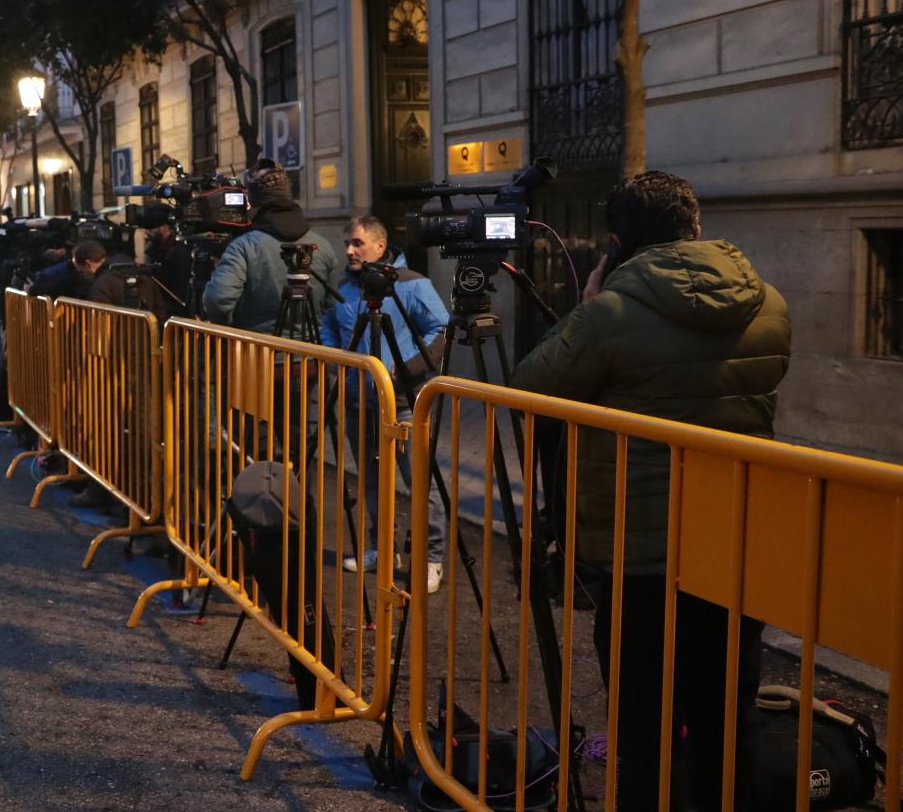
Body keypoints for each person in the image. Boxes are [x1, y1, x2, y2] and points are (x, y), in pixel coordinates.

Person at [509, 171, 791, 811]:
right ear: (696, 227)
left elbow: (528, 387)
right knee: (728, 717)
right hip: (736, 542)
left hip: (642, 556)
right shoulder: (769, 302)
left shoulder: (611, 312)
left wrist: (588, 301)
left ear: (617, 244)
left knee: (644, 725)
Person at [319, 216, 449, 592]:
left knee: (420, 482)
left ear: (380, 245)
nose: (349, 250)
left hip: (405, 401)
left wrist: (404, 370)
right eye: (347, 243)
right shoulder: (344, 286)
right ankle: (383, 548)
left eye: (357, 243)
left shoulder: (412, 284)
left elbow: (442, 330)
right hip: (360, 402)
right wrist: (337, 361)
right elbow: (329, 326)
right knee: (373, 481)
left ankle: (431, 558)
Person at [201, 159, 341, 332]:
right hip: (312, 354)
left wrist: (233, 329)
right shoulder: (323, 246)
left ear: (253, 204)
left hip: (259, 352)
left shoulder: (243, 247)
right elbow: (333, 307)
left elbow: (218, 300)